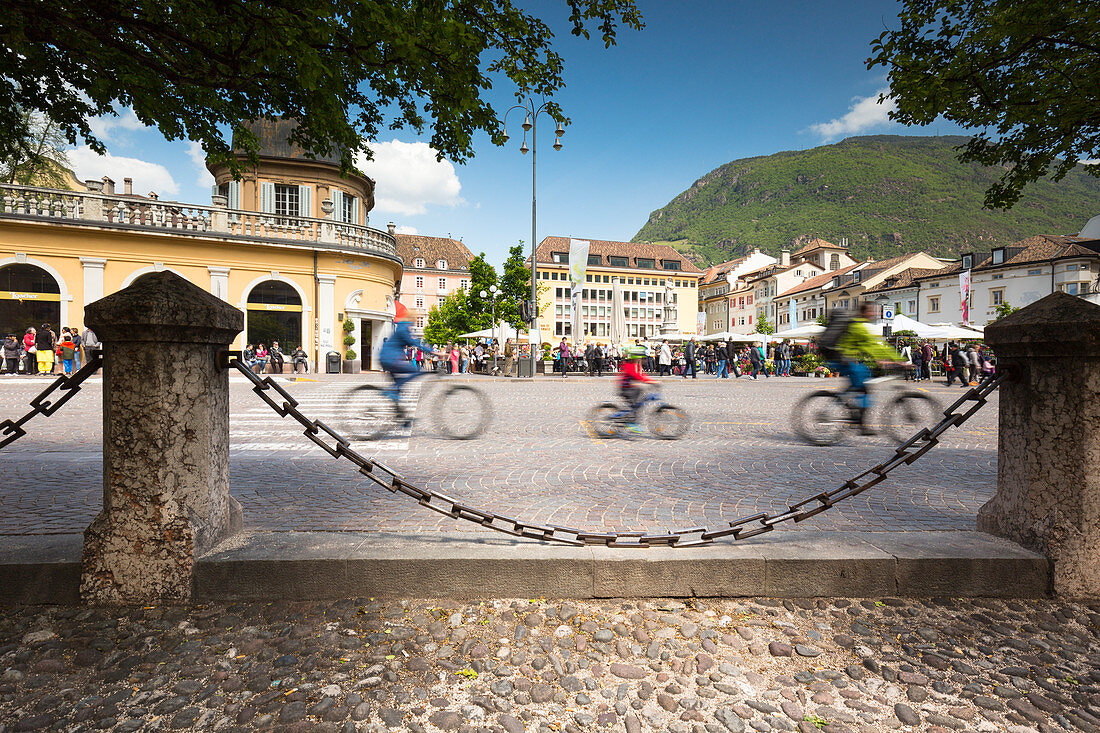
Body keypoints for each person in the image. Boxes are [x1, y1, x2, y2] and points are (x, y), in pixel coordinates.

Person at [829, 302, 905, 434]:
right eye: (871, 311)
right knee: (863, 387)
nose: (874, 314)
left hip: (844, 358)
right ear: (864, 313)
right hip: (842, 359)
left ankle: (854, 413)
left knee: (864, 380)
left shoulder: (858, 325)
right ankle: (858, 421)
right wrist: (899, 360)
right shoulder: (859, 327)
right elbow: (874, 346)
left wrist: (885, 358)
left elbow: (871, 346)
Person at [380, 302, 437, 416]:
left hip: (388, 357)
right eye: (415, 319)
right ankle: (393, 390)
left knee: (398, 391)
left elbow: (414, 341)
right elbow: (412, 342)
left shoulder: (403, 327)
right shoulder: (404, 328)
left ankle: (401, 416)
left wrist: (429, 349)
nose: (415, 321)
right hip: (390, 358)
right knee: (415, 371)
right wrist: (432, 351)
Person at [616, 345, 656, 433]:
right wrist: (650, 381)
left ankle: (631, 418)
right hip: (626, 389)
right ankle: (631, 423)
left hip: (631, 387)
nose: (642, 360)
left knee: (639, 397)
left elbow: (642, 375)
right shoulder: (630, 365)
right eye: (641, 358)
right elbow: (637, 376)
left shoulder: (635, 365)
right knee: (634, 405)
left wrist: (651, 380)